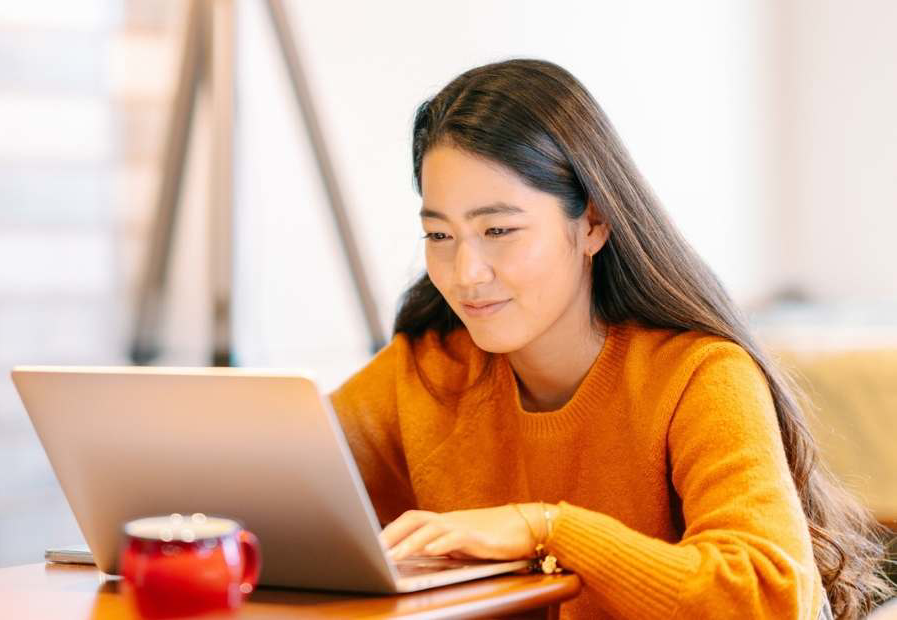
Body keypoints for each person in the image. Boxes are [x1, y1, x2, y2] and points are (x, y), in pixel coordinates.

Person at [329, 59, 892, 619]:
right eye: (438, 235)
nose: (465, 273)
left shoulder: (699, 374)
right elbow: (291, 485)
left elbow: (768, 598)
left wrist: (546, 527)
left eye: (498, 230)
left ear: (593, 223)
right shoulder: (426, 369)